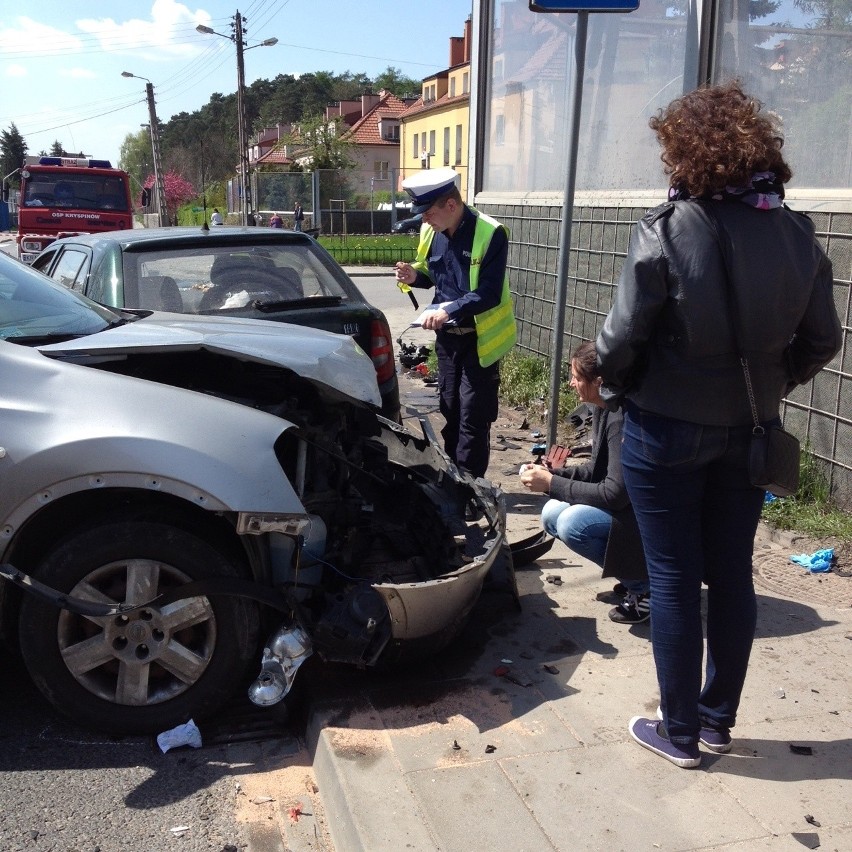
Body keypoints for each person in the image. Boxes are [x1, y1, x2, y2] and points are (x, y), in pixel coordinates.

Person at [596, 80, 842, 768]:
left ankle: (678, 735)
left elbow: (618, 344)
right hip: (752, 430)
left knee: (672, 576)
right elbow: (823, 340)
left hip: (663, 429)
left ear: (683, 153)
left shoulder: (666, 230)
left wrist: (622, 386)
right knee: (732, 574)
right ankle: (714, 724)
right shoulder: (796, 232)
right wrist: (770, 383)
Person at [394, 167, 516, 479]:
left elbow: (488, 293)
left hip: (481, 339)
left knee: (473, 417)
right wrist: (414, 276)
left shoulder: (490, 233)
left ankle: (472, 489)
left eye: (428, 212)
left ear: (451, 205)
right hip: (448, 340)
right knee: (450, 409)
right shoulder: (432, 231)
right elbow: (436, 275)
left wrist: (448, 312)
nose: (424, 220)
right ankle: (453, 481)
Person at [519, 340, 649, 623]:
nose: (570, 384)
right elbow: (596, 469)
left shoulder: (622, 418)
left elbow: (615, 493)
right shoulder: (604, 405)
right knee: (552, 513)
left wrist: (552, 484)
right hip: (629, 508)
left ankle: (646, 588)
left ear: (598, 381)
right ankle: (634, 577)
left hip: (648, 516)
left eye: (576, 378)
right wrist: (553, 475)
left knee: (572, 523)